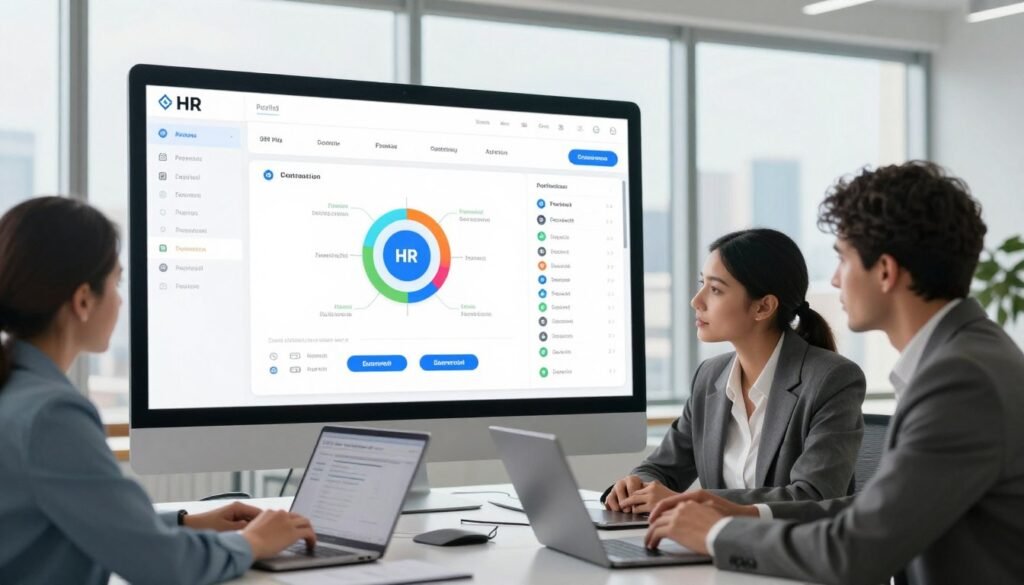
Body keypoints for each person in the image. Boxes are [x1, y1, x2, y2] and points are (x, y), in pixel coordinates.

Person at [644, 161, 1024, 585]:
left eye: (842, 259)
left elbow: (857, 550)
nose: (837, 279)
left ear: (885, 271)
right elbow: (869, 515)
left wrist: (716, 533)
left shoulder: (961, 381)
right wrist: (742, 512)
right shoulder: (969, 358)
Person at [0, 197, 316, 585]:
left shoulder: (16, 390)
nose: (119, 300)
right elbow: (164, 566)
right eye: (117, 283)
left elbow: (79, 520)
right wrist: (253, 542)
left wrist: (188, 522)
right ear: (83, 300)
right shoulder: (51, 415)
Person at [605, 228, 866, 515]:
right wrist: (636, 485)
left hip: (791, 553)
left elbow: (814, 496)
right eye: (702, 284)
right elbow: (661, 468)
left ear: (763, 306)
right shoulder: (710, 376)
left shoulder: (832, 379)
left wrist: (694, 502)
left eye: (715, 289)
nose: (697, 300)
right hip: (716, 549)